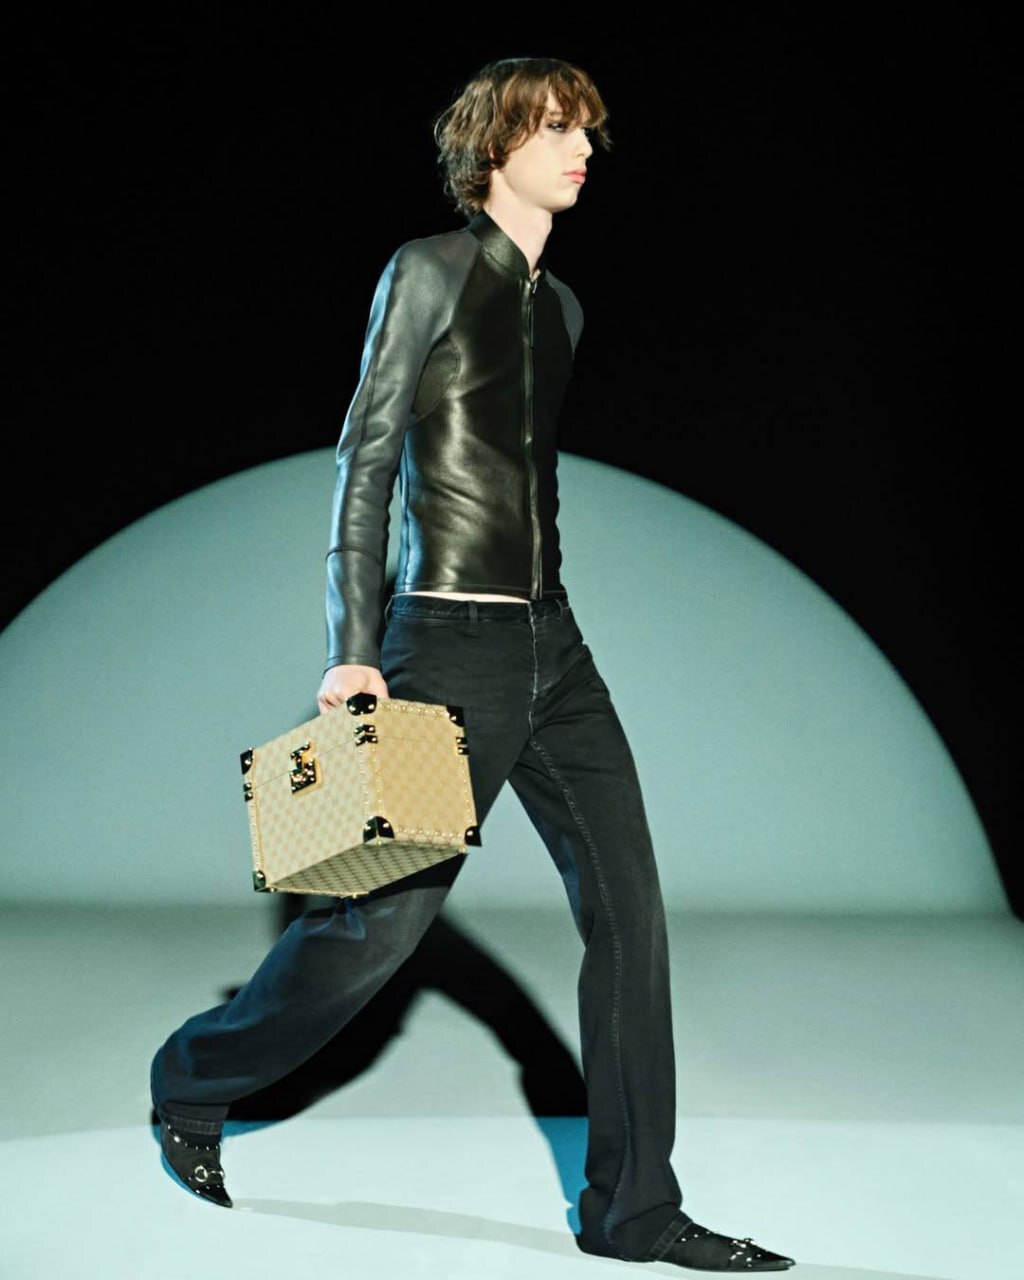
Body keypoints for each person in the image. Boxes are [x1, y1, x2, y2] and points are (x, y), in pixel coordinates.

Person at [150, 56, 796, 1273]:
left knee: (630, 918)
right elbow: (366, 462)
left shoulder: (564, 311)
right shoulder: (427, 271)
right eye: (555, 128)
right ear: (494, 148)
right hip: (444, 647)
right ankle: (190, 1076)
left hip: (557, 647)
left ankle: (630, 1209)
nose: (582, 147)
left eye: (587, 129)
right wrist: (352, 649)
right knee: (373, 933)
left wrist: (546, 631)